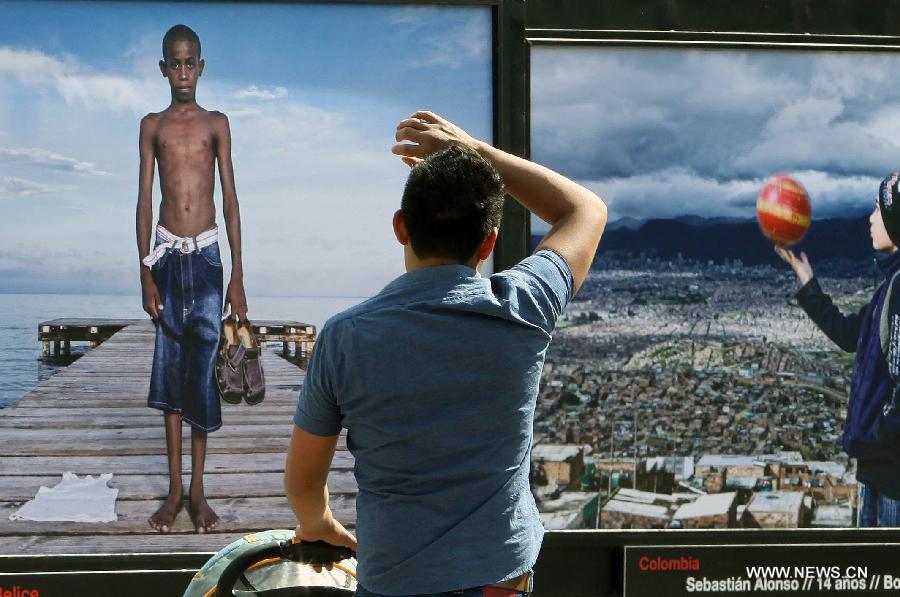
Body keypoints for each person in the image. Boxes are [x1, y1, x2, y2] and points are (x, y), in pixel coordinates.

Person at [285, 111, 607, 595]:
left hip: (397, 579)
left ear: (400, 227)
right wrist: (478, 150)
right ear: (490, 241)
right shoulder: (522, 306)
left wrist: (319, 524)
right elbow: (585, 210)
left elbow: (305, 482)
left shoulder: (345, 337)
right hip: (500, 577)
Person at [136, 24, 248, 534]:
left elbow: (229, 199)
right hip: (165, 256)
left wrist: (237, 277)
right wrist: (145, 273)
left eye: (190, 63)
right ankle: (175, 491)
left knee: (202, 377)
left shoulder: (217, 123)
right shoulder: (152, 125)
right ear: (164, 68)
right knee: (170, 373)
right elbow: (143, 199)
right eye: (174, 63)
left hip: (206, 260)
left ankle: (199, 492)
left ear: (201, 67)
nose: (182, 72)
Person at [777, 172, 900, 527]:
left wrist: (882, 433)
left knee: (887, 574)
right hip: (877, 467)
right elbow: (849, 334)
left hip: (892, 471)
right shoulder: (890, 288)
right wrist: (808, 285)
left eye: (878, 209)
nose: (870, 218)